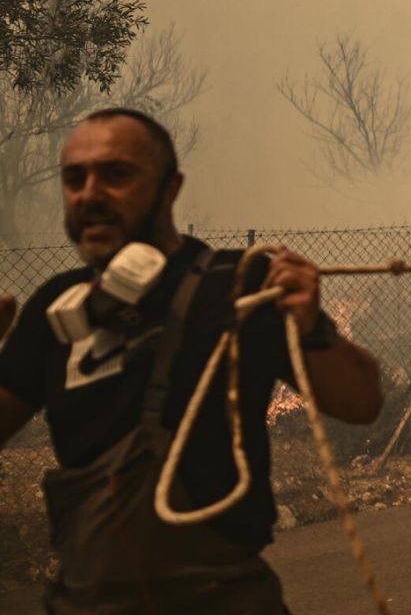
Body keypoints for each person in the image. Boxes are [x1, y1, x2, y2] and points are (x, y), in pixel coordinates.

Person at [0, 108, 383, 614]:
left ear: (171, 187)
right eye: (75, 178)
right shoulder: (54, 307)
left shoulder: (237, 285)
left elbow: (360, 403)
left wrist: (313, 328)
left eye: (116, 174)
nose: (89, 193)